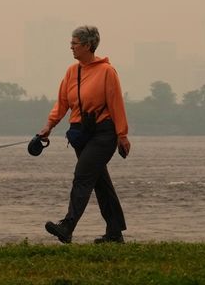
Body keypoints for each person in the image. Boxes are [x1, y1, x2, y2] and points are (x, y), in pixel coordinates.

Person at [37, 25, 131, 244]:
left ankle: (67, 226)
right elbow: (62, 102)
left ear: (88, 45)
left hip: (103, 133)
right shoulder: (72, 71)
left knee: (83, 176)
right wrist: (48, 126)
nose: (71, 47)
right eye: (71, 43)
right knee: (100, 183)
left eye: (75, 43)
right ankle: (115, 233)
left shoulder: (107, 71)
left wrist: (122, 134)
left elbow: (116, 103)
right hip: (81, 134)